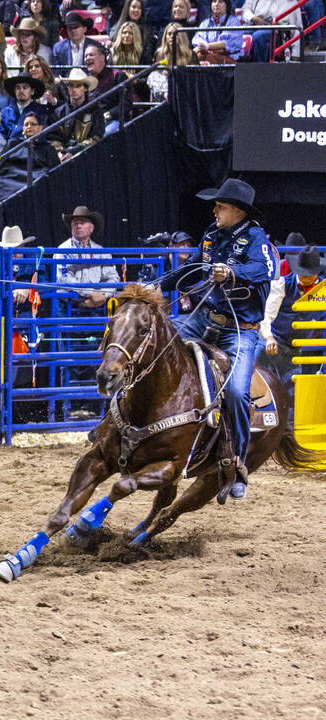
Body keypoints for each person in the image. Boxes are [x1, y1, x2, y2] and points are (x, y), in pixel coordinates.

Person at [157, 179, 276, 501]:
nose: (215, 210)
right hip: (204, 318)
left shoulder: (255, 238)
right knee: (158, 350)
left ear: (237, 210)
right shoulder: (212, 234)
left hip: (241, 329)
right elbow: (195, 266)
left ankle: (236, 464)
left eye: (220, 206)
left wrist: (231, 273)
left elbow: (265, 269)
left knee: (237, 392)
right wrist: (159, 284)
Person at [261, 246, 324, 400]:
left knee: (295, 394)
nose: (305, 277)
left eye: (309, 274)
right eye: (302, 273)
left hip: (303, 348)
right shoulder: (282, 284)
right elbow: (267, 315)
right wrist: (268, 337)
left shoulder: (323, 289)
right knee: (253, 371)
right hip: (277, 341)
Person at [55, 205, 117, 312]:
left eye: (82, 223)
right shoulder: (63, 249)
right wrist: (91, 293)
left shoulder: (101, 251)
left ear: (91, 228)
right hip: (68, 306)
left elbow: (113, 278)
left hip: (97, 305)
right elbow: (64, 278)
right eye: (75, 223)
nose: (78, 226)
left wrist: (102, 295)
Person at [192, 0, 245, 64]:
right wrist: (203, 46)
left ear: (227, 5)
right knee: (199, 55)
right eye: (214, 1)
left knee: (208, 57)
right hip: (210, 55)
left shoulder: (234, 22)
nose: (216, 4)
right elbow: (197, 39)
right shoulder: (206, 22)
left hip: (230, 58)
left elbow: (226, 43)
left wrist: (207, 46)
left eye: (220, 2)